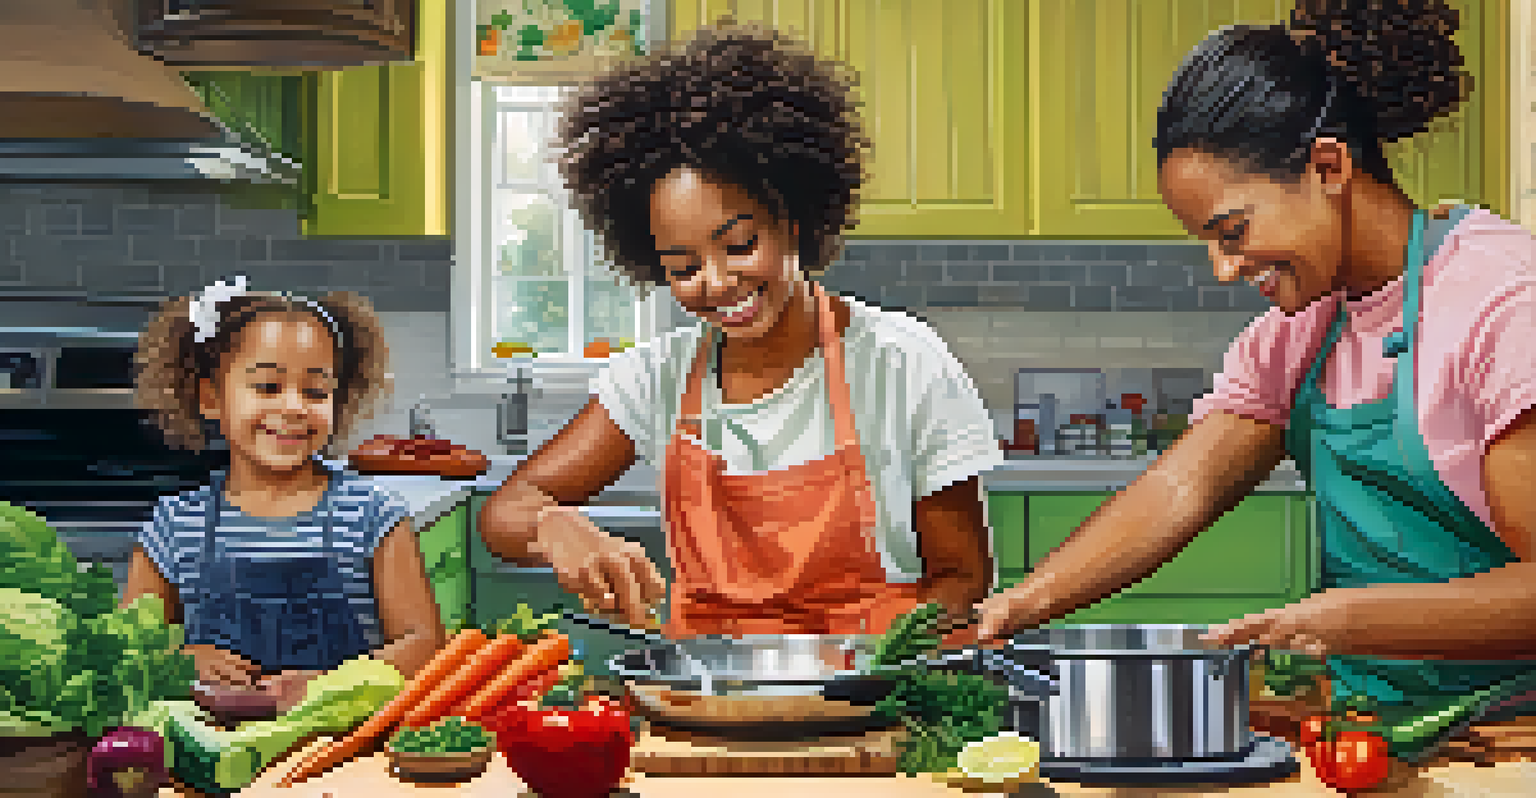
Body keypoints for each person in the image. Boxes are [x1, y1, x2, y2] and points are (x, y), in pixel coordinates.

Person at [974, 0, 1536, 734]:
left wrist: (1349, 621)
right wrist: (1024, 603)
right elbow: (1184, 485)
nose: (1223, 270)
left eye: (1233, 232)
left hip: (1513, 733)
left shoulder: (1501, 302)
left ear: (1328, 165)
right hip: (1373, 731)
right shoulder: (1300, 330)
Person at [477, 23, 1004, 637]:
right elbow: (505, 513)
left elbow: (963, 578)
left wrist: (865, 661)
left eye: (740, 244)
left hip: (870, 701)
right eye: (683, 267)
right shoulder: (658, 379)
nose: (717, 282)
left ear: (796, 217)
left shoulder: (903, 363)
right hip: (706, 701)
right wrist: (554, 526)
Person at [121, 276, 446, 709]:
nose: (293, 407)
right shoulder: (176, 526)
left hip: (345, 751)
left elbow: (423, 646)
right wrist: (181, 660)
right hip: (212, 757)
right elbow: (127, 653)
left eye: (315, 391)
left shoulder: (371, 514)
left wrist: (330, 686)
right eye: (268, 387)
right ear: (210, 397)